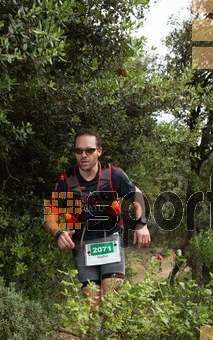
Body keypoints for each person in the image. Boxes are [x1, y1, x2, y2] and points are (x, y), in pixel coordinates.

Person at [45, 129, 151, 306]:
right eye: (79, 151)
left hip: (111, 239)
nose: (83, 155)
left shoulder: (112, 175)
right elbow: (50, 215)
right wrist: (58, 232)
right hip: (82, 243)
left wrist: (142, 224)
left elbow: (137, 195)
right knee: (92, 308)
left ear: (99, 151)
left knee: (110, 303)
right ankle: (94, 334)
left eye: (89, 150)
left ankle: (111, 333)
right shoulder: (67, 181)